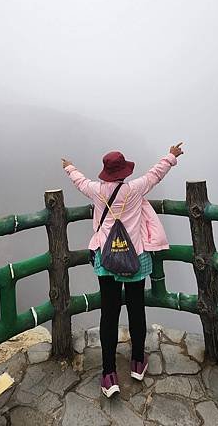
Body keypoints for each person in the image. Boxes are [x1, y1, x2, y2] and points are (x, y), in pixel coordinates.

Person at [62, 143, 184, 397]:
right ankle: (138, 363)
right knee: (136, 309)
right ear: (125, 171)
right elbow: (156, 173)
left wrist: (69, 167)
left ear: (105, 171)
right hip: (135, 259)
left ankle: (108, 375)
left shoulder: (96, 191)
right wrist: (172, 155)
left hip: (107, 262)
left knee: (109, 314)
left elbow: (80, 182)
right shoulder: (136, 189)